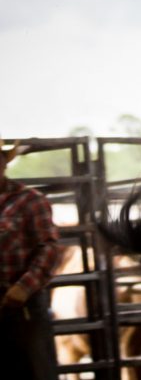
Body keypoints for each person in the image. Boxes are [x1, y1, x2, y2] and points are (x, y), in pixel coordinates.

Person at [0, 141, 61, 380]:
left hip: (21, 306)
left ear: (4, 163)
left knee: (33, 370)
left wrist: (23, 288)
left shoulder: (29, 200)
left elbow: (49, 248)